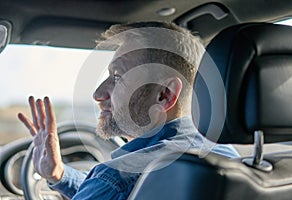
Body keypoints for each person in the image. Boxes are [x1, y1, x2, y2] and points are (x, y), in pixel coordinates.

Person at [18, 21, 239, 199]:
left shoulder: (119, 177)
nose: (98, 93)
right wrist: (60, 175)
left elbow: (115, 189)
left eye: (117, 77)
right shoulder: (232, 161)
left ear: (164, 95)